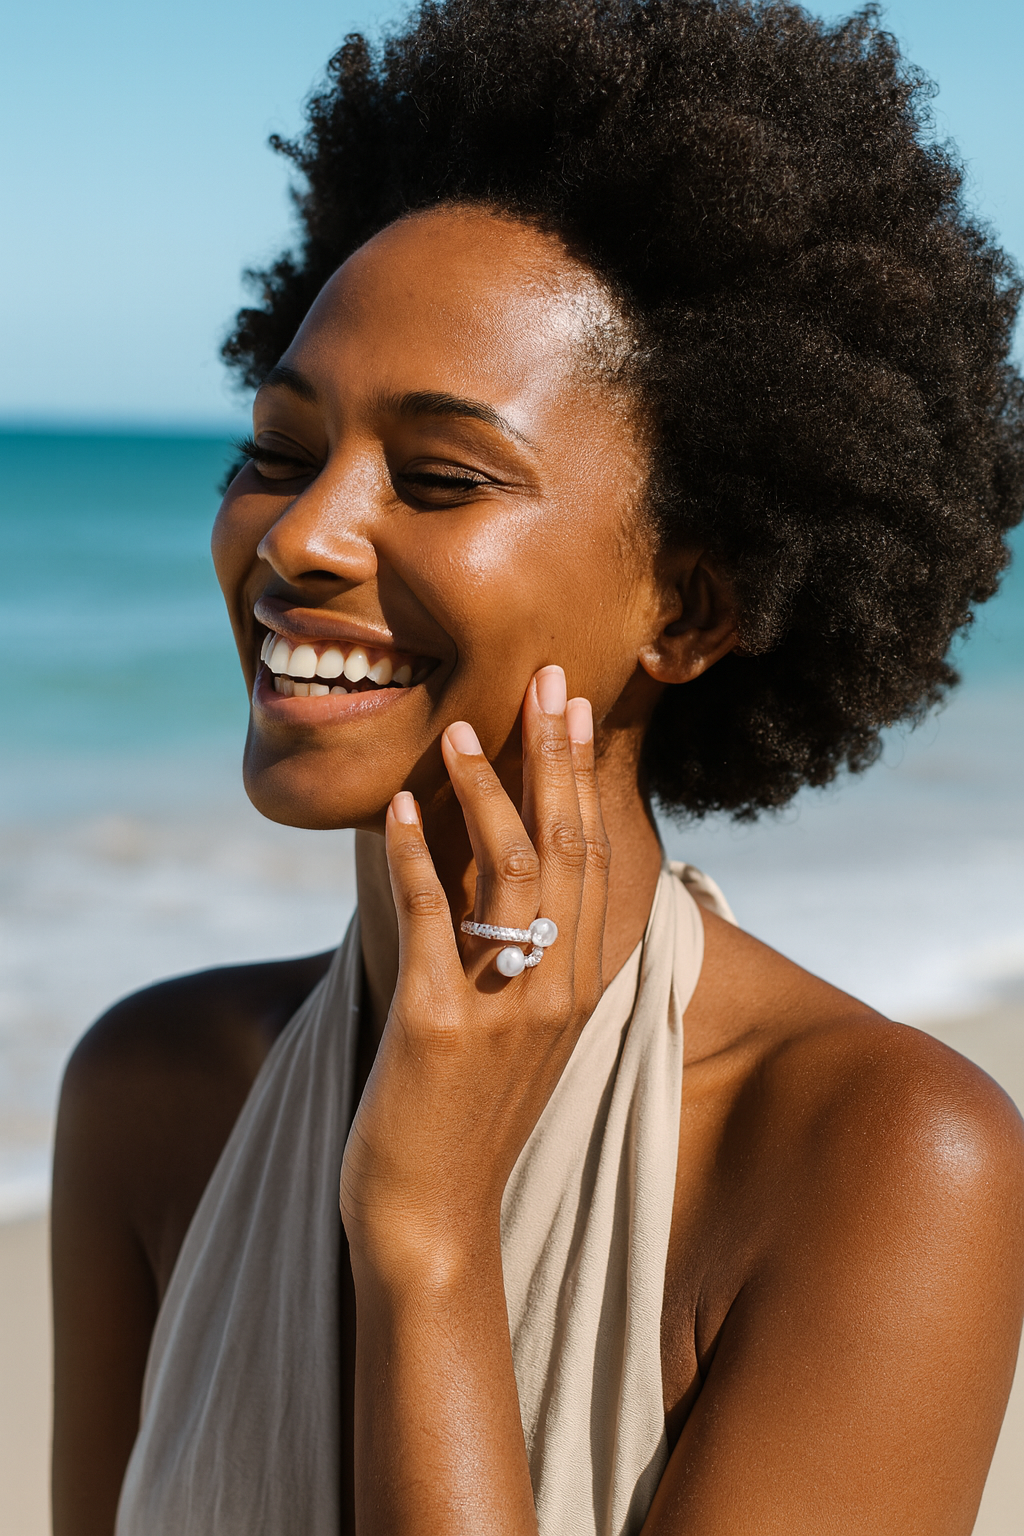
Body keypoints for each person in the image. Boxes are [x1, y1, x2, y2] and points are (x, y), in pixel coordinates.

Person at [51, 2, 1024, 1532]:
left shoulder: (882, 1157)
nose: (300, 537)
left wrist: (428, 1231)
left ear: (687, 610)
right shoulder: (156, 1090)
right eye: (279, 451)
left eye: (440, 477)